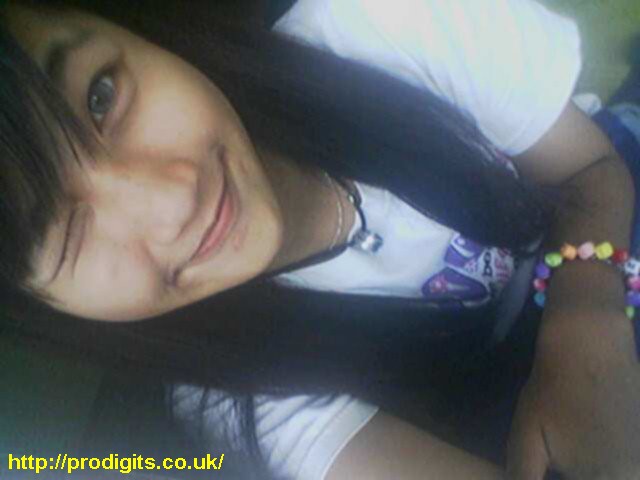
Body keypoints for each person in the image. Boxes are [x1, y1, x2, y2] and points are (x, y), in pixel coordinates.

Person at [1, 0, 639, 478]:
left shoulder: (380, 22)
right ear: (53, 311)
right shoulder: (236, 395)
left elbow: (590, 172)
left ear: (140, 31)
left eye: (101, 96)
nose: (172, 203)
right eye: (61, 233)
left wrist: (582, 321)